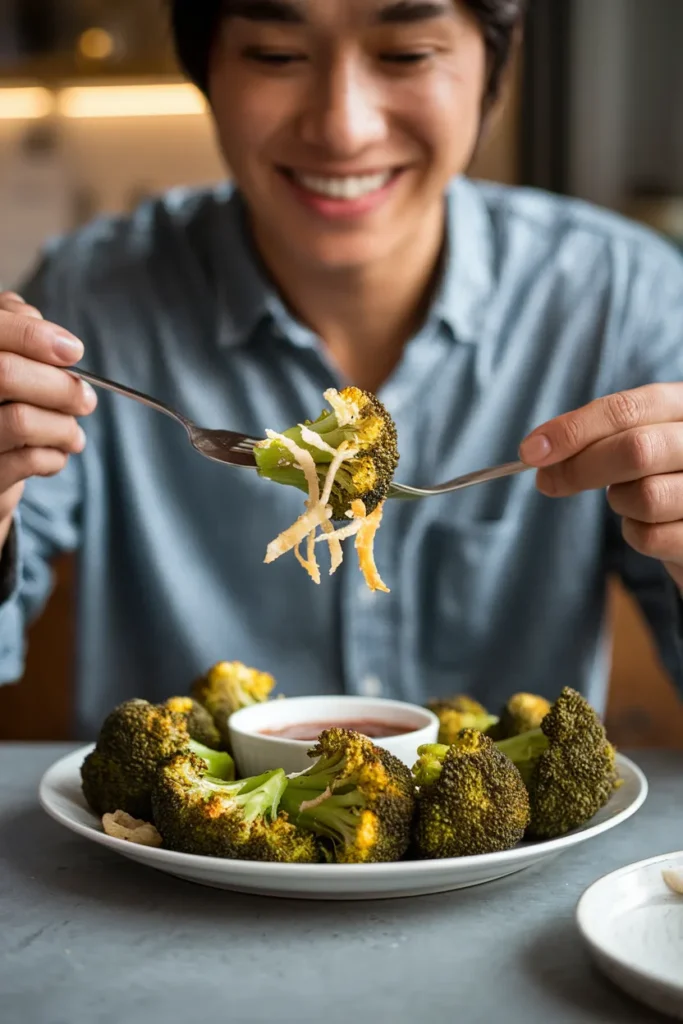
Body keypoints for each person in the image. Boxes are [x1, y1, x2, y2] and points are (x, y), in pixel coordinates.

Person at [0, 0, 682, 739]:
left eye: (405, 55)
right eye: (275, 55)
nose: (342, 127)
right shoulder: (86, 301)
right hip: (152, 852)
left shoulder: (623, 299)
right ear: (206, 71)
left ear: (496, 61)